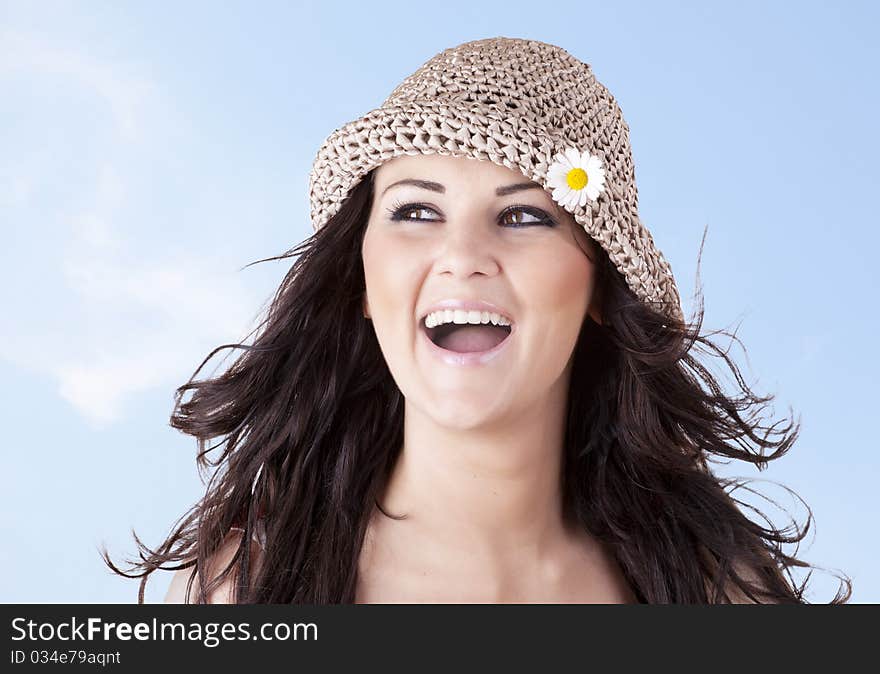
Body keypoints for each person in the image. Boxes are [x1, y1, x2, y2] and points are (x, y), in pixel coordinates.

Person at [104, 36, 851, 604]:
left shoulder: (720, 593)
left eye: (524, 214)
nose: (462, 256)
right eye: (417, 211)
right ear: (361, 279)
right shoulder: (246, 590)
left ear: (599, 288)